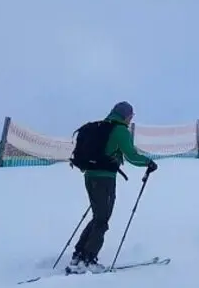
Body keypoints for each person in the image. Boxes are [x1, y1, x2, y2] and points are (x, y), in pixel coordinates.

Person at [67, 101, 156, 273]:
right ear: (125, 115)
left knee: (98, 216)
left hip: (91, 176)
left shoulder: (101, 127)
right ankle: (87, 259)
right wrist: (148, 163)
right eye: (131, 115)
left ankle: (79, 254)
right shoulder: (120, 131)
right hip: (105, 179)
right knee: (102, 219)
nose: (131, 118)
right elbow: (131, 156)